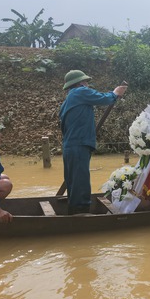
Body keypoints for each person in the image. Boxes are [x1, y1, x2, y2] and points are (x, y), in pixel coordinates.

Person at [59, 70, 127, 215]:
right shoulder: (80, 92)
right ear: (80, 83)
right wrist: (115, 93)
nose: (88, 85)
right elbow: (104, 98)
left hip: (70, 146)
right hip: (79, 145)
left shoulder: (67, 102)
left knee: (73, 180)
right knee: (81, 180)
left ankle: (74, 209)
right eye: (86, 82)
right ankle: (81, 212)